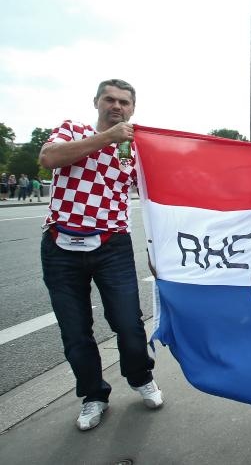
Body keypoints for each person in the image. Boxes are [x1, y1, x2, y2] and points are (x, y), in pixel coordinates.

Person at [39, 79, 163, 431]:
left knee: (128, 322)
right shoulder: (73, 130)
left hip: (112, 245)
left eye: (124, 102)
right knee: (76, 331)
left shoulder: (137, 147)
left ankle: (141, 378)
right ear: (96, 102)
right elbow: (49, 158)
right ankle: (93, 395)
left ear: (133, 108)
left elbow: (163, 188)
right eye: (109, 99)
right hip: (61, 245)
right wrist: (107, 138)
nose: (116, 106)